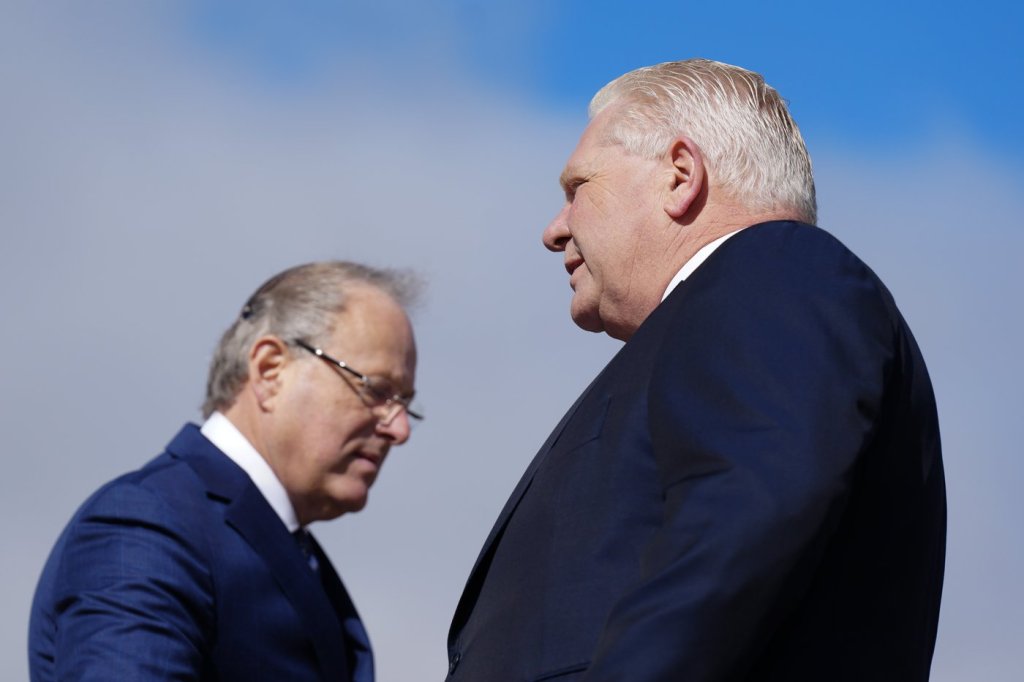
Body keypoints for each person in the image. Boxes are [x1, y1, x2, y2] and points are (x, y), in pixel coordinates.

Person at [446, 59, 945, 681]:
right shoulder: (739, 307)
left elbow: (746, 512)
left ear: (680, 175)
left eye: (577, 189)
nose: (554, 230)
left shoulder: (776, 271)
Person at [30, 261, 422, 681]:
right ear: (270, 370)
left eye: (405, 404)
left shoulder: (281, 549)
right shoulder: (149, 524)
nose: (399, 429)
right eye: (376, 390)